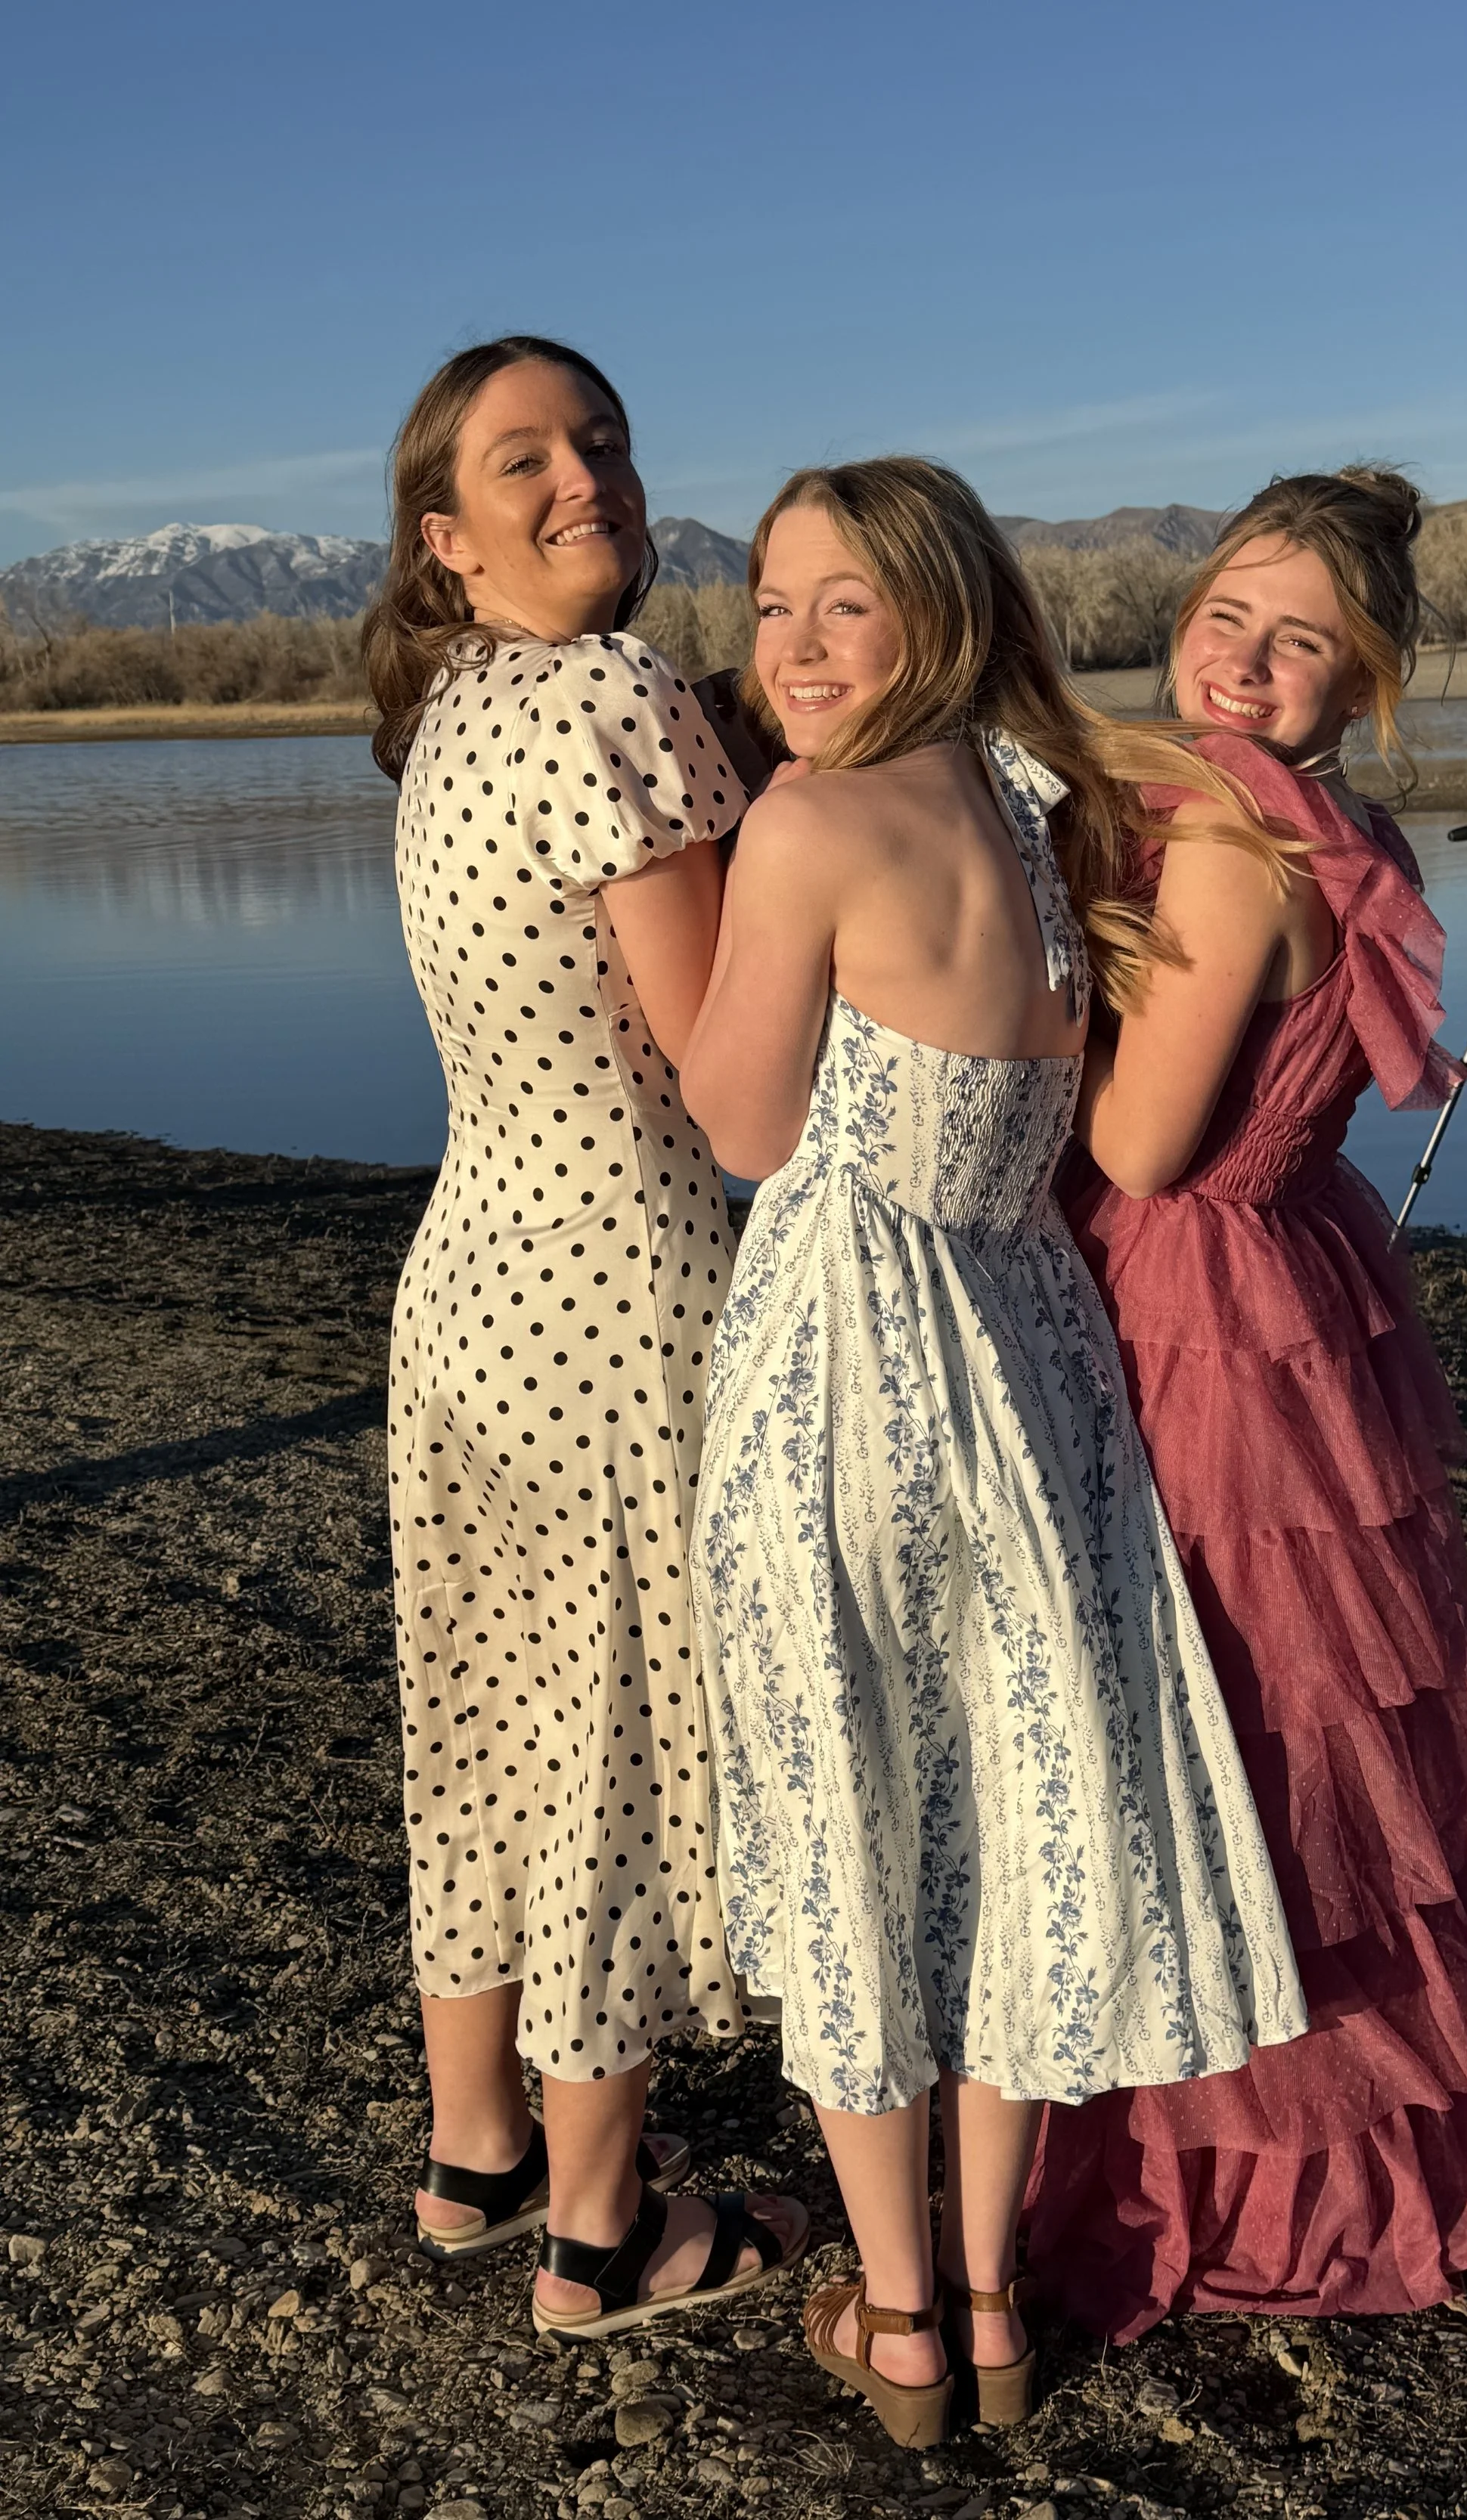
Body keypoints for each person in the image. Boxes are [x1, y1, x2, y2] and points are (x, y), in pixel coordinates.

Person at [681, 457, 1307, 2447]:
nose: (786, 644)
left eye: (836, 606)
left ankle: (891, 2317)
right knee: (1016, 1823)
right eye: (769, 603)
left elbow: (740, 1123)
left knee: (850, 1822)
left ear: (930, 614)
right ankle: (989, 2298)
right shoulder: (1044, 817)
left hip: (845, 1361)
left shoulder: (809, 822)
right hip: (1027, 1352)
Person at [1024, 470, 1467, 2336]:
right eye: (1226, 617)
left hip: (1188, 1296)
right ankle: (1371, 2129)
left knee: (1227, 1724)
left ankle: (1247, 2157)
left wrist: (1033, 976)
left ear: (1363, 678)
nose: (1247, 661)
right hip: (1294, 1276)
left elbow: (1133, 1133)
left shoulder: (1220, 843)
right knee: (1305, 1716)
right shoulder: (1337, 831)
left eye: (1299, 640)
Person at [364, 335, 806, 2342]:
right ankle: (606, 2231)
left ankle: (475, 2155)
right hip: (619, 1293)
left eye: (603, 443)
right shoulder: (616, 696)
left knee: (481, 1726)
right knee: (613, 1756)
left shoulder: (455, 712)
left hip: (461, 1284)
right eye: (525, 459)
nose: (586, 479)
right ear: (446, 542)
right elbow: (735, 1091)